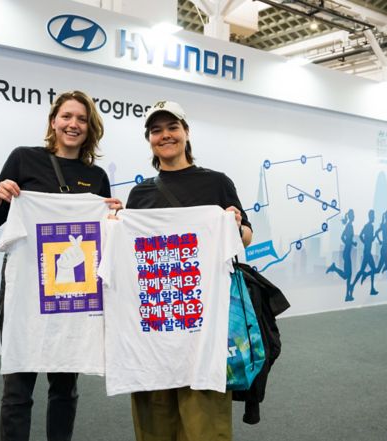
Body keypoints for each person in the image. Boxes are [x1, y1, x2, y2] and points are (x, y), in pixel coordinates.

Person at [0, 90, 122, 441]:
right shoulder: (24, 159)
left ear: (90, 128)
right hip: (26, 289)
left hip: (74, 292)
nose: (73, 124)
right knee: (18, 384)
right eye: (67, 116)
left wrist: (115, 217)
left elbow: (104, 235)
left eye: (82, 119)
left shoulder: (96, 177)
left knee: (65, 387)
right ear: (53, 121)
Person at [126, 100, 252, 441]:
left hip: (205, 320)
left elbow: (246, 237)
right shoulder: (140, 194)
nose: (165, 135)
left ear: (186, 132)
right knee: (156, 415)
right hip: (155, 320)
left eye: (172, 127)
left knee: (203, 420)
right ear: (149, 139)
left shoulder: (216, 183)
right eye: (156, 130)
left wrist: (235, 225)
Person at [326, 209, 357, 302]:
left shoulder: (349, 226)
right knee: (347, 276)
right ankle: (334, 268)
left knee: (348, 276)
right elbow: (343, 237)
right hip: (346, 253)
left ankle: (347, 296)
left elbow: (344, 238)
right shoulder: (349, 226)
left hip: (347, 252)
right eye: (353, 215)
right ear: (351, 216)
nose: (354, 216)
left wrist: (351, 243)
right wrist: (349, 243)